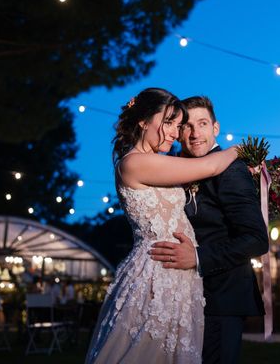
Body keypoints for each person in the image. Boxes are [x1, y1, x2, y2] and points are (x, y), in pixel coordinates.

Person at [85, 88, 240, 364]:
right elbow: (210, 167)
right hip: (156, 276)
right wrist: (241, 151)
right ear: (144, 121)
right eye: (168, 122)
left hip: (179, 273)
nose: (175, 132)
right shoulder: (134, 162)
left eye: (177, 125)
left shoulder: (159, 160)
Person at [149, 96, 268, 364]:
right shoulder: (180, 168)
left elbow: (257, 240)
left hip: (222, 297)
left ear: (216, 128)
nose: (194, 134)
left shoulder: (231, 170)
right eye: (187, 126)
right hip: (186, 295)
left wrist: (199, 257)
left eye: (202, 124)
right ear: (179, 132)